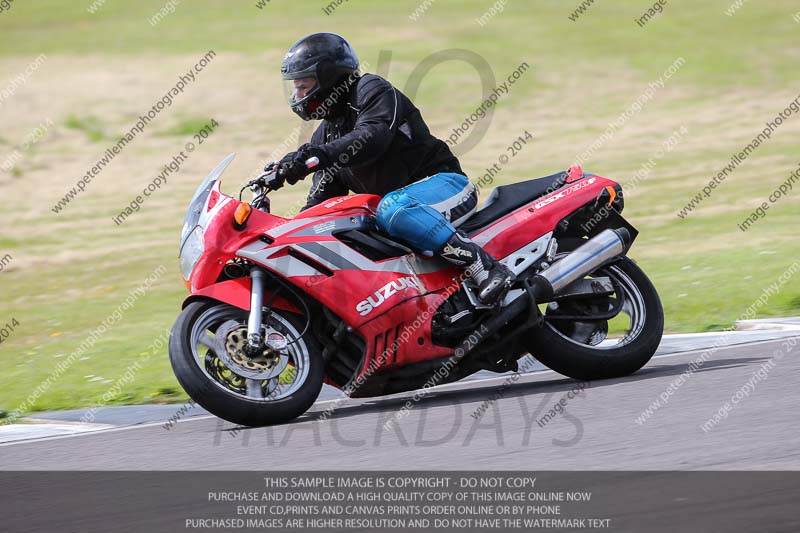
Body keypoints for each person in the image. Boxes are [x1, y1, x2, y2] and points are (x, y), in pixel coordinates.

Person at [268, 32, 512, 304]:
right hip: (396, 212)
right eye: (296, 87)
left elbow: (373, 135)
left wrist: (312, 157)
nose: (298, 95)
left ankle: (485, 267)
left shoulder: (371, 90)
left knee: (392, 208)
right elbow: (318, 207)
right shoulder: (325, 135)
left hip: (446, 187)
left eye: (304, 85)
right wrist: (281, 240)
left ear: (328, 76)